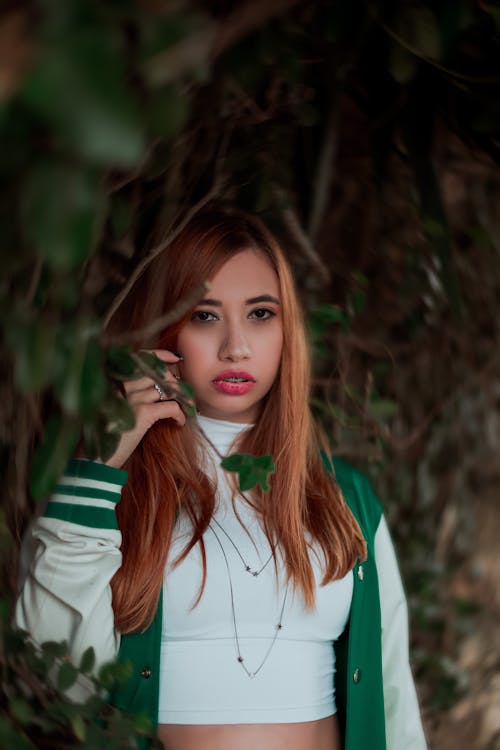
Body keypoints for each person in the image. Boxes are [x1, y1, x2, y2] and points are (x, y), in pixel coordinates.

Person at [15, 208, 428, 750]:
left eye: (260, 313)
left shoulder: (344, 494)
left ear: (287, 330)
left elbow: (390, 691)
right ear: (167, 330)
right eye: (205, 316)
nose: (236, 345)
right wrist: (104, 460)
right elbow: (50, 666)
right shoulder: (114, 484)